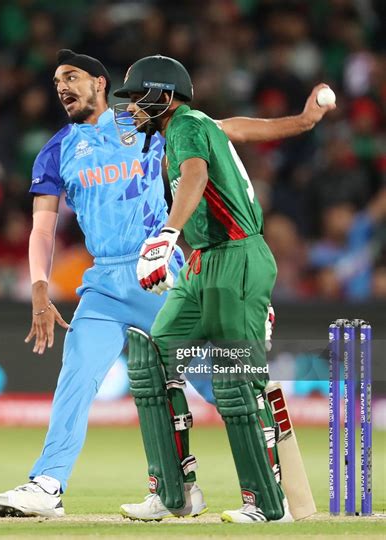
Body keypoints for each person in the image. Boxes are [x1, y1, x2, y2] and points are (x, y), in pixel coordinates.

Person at [0, 49, 332, 519]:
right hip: (103, 284)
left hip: (158, 274)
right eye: (56, 81)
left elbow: (227, 129)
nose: (61, 86)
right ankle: (50, 485)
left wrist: (302, 122)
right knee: (77, 376)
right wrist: (40, 286)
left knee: (218, 383)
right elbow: (43, 229)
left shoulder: (143, 122)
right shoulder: (57, 149)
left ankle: (270, 484)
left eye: (71, 77)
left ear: (100, 83)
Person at [113, 55, 334, 523]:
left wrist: (166, 235)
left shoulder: (186, 128)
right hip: (205, 262)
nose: (130, 108)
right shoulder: (199, 124)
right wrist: (303, 121)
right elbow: (246, 128)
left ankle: (268, 505)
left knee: (239, 378)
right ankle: (175, 494)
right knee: (153, 356)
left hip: (236, 259)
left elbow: (196, 176)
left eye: (137, 98)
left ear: (164, 97)